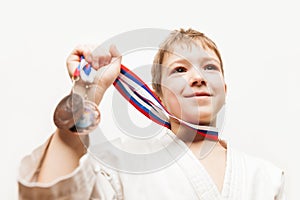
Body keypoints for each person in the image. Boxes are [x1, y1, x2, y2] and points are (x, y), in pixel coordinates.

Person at [18, 28, 286, 199]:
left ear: (224, 90)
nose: (197, 78)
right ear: (158, 96)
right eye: (180, 70)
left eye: (210, 68)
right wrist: (88, 92)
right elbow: (50, 195)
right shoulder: (122, 164)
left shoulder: (265, 177)